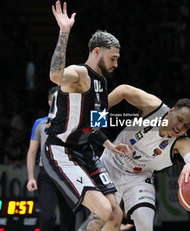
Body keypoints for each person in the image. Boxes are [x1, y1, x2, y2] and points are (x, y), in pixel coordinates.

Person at [43, 2, 131, 231]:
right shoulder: (79, 74)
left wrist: (110, 145)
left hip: (86, 152)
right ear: (96, 52)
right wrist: (64, 32)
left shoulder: (101, 82)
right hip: (62, 150)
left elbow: (95, 125)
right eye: (113, 58)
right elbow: (55, 75)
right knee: (102, 210)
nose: (116, 64)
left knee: (115, 213)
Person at [100, 84, 190, 231]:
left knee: (145, 224)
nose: (180, 127)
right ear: (171, 111)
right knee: (106, 219)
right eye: (179, 119)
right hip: (110, 164)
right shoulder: (154, 107)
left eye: (186, 126)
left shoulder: (182, 142)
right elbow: (123, 90)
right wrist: (96, 117)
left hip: (139, 178)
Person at [27, 87, 75, 231]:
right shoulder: (40, 123)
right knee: (47, 216)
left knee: (69, 217)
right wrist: (30, 177)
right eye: (56, 99)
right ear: (49, 102)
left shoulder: (72, 122)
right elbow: (32, 152)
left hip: (67, 174)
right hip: (46, 174)